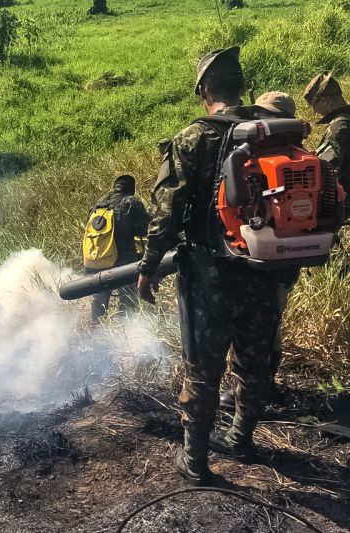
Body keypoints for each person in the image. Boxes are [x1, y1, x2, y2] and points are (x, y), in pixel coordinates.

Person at [137, 47, 284, 485]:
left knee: (204, 366)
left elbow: (168, 211)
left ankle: (196, 461)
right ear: (241, 86)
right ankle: (241, 438)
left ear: (205, 90)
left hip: (210, 276)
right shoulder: (272, 132)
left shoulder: (193, 138)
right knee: (256, 362)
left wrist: (147, 266)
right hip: (265, 270)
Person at [218, 91, 300, 410]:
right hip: (290, 260)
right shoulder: (301, 155)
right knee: (271, 324)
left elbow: (236, 203)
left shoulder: (260, 159)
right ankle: (264, 386)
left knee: (251, 329)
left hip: (260, 260)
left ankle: (250, 395)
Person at [84, 174, 151, 320]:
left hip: (97, 259)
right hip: (122, 261)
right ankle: (124, 332)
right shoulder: (131, 201)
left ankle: (96, 333)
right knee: (128, 298)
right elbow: (147, 229)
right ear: (131, 189)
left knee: (99, 299)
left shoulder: (98, 203)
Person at [303, 72, 350, 196]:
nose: (314, 111)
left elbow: (323, 167)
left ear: (324, 100)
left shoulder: (339, 128)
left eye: (314, 106)